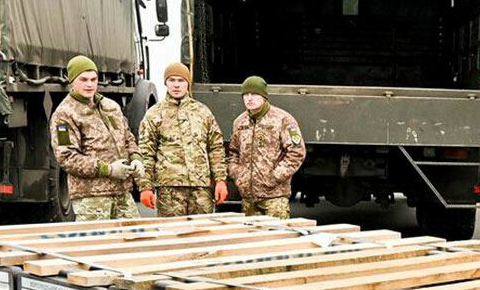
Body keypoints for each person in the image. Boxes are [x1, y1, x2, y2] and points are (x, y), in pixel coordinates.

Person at [49, 55, 143, 221]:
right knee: (96, 244)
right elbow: (67, 157)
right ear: (72, 81)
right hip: (91, 197)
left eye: (93, 79)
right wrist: (108, 169)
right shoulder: (64, 115)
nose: (89, 84)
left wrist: (136, 158)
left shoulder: (110, 106)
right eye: (83, 79)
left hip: (121, 192)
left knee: (134, 240)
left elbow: (127, 137)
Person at [136, 62, 228, 216]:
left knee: (202, 234)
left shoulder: (202, 112)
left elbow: (215, 148)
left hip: (200, 189)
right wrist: (145, 187)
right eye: (172, 80)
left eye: (181, 81)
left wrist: (220, 180)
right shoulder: (154, 114)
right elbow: (146, 153)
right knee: (172, 234)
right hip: (169, 191)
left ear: (188, 83)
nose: (176, 85)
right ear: (166, 83)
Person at [228, 76, 305, 219]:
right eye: (246, 95)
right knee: (251, 238)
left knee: (278, 237)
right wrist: (239, 175)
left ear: (264, 96)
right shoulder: (240, 122)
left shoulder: (283, 119)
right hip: (248, 198)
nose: (249, 98)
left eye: (254, 94)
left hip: (274, 197)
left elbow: (297, 152)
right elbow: (233, 153)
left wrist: (275, 177)